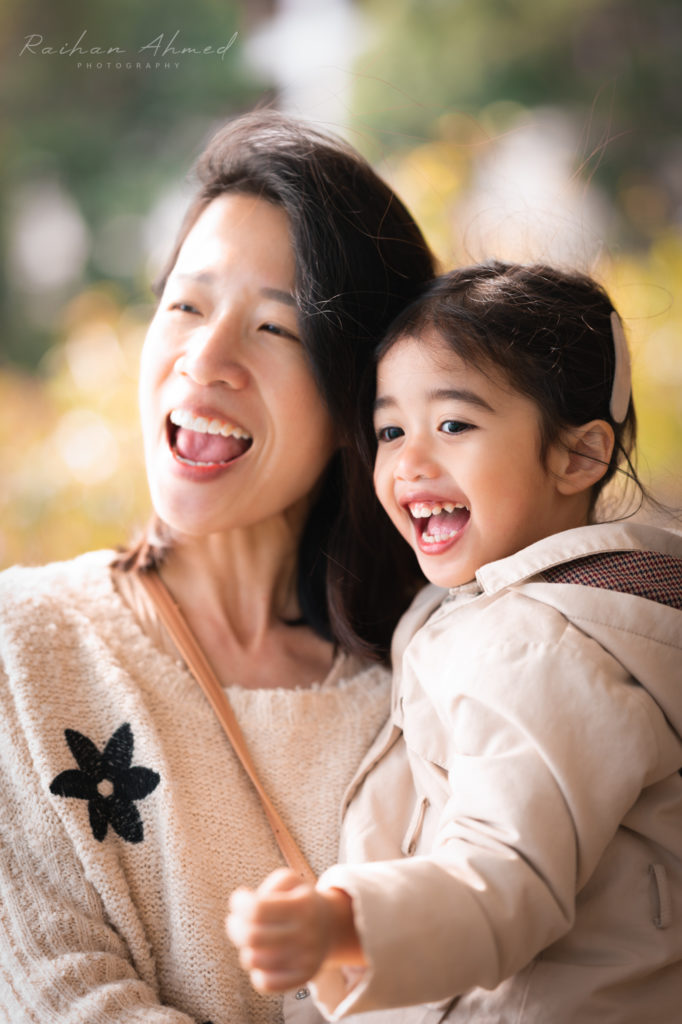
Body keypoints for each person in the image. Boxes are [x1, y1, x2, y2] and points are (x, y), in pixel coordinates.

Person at [0, 110, 436, 1024]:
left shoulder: (427, 689)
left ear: (363, 398)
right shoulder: (22, 649)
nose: (206, 358)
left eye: (276, 330)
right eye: (187, 306)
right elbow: (60, 998)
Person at [228, 262, 682, 1023]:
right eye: (391, 430)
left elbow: (502, 879)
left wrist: (339, 924)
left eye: (455, 425)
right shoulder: (509, 611)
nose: (409, 462)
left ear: (578, 457)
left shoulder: (544, 648)